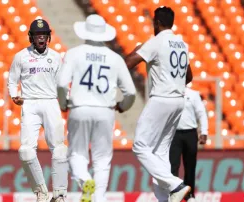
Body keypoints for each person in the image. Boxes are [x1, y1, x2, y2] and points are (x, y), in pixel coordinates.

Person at [57, 14, 136, 202]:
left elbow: (61, 84)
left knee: (77, 153)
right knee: (102, 159)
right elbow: (131, 92)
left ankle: (85, 181)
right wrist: (123, 107)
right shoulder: (115, 58)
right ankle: (99, 199)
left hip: (79, 107)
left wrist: (63, 103)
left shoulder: (74, 53)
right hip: (105, 110)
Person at [124, 6, 193, 202]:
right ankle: (168, 198)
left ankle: (175, 185)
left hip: (161, 99)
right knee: (160, 153)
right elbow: (189, 76)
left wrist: (138, 50)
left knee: (140, 146)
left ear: (156, 23)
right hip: (179, 100)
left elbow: (128, 63)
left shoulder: (156, 42)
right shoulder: (182, 44)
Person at [7, 19, 68, 202]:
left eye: (43, 35)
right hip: (30, 104)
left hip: (50, 102)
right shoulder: (21, 56)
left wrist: (66, 100)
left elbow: (62, 83)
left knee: (59, 150)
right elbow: (12, 80)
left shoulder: (56, 57)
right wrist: (14, 95)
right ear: (31, 37)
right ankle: (41, 193)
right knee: (25, 151)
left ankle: (59, 195)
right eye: (37, 35)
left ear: (48, 36)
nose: (40, 38)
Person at [170, 86, 208, 202]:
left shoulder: (193, 94)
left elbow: (201, 113)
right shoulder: (170, 93)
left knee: (190, 165)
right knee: (173, 165)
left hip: (190, 133)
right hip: (174, 133)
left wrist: (204, 132)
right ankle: (174, 193)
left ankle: (189, 195)